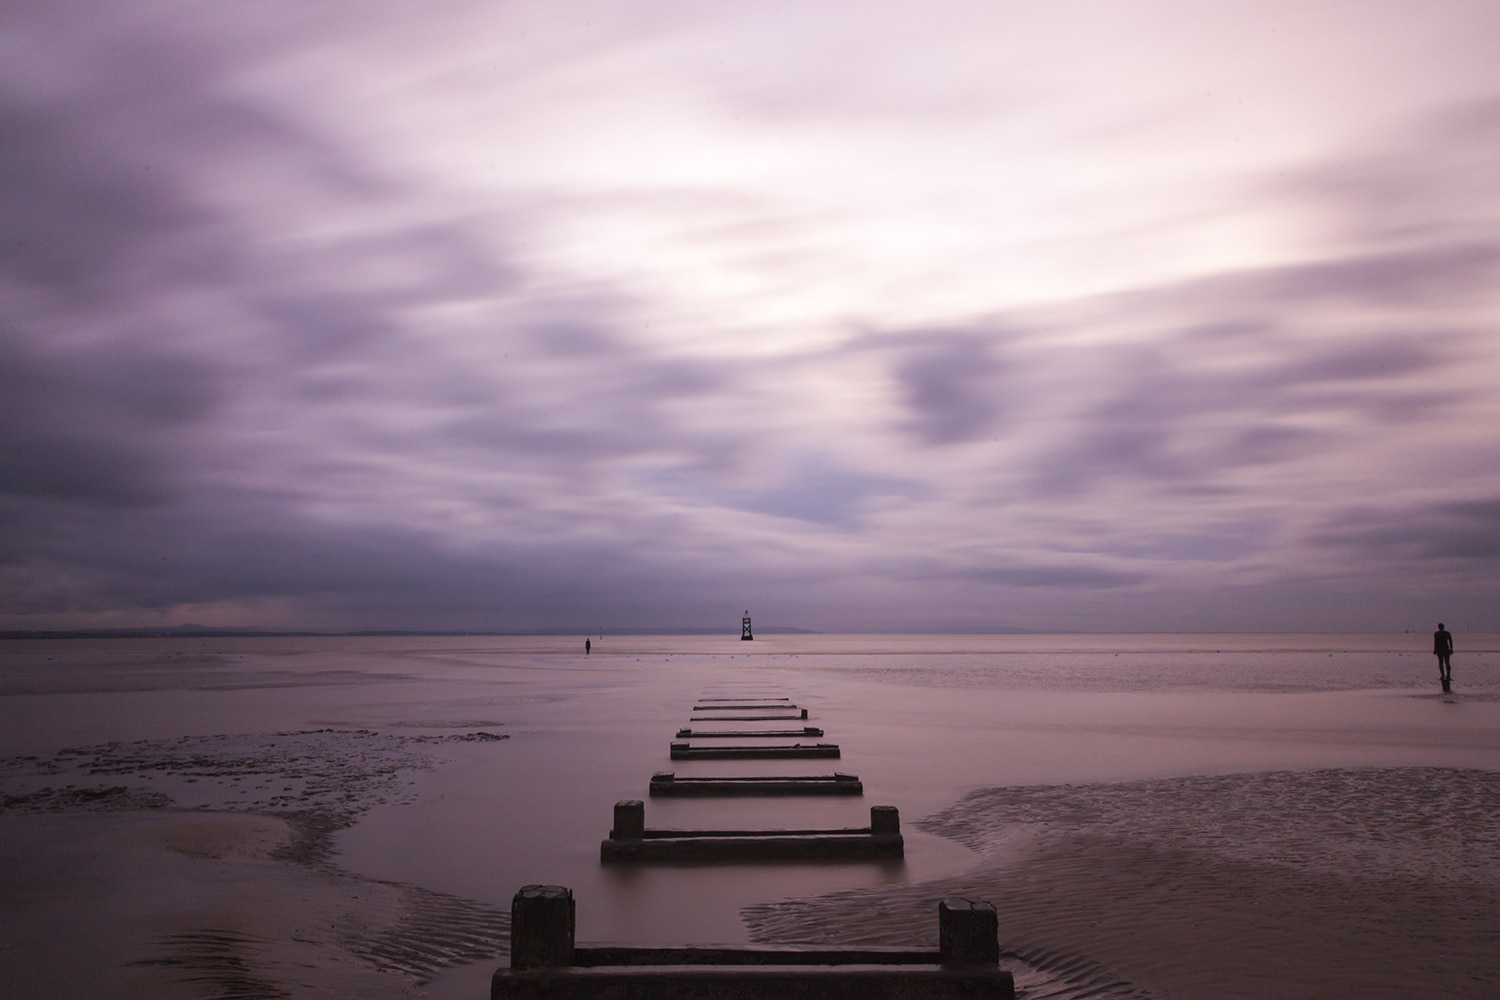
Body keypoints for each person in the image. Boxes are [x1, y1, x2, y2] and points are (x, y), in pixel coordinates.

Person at [1433, 623, 1453, 692]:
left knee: (1441, 663)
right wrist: (1451, 649)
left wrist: (1435, 649)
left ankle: (1443, 675)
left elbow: (1435, 642)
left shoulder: (1436, 634)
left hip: (1440, 649)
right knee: (1447, 663)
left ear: (1439, 627)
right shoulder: (1447, 633)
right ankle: (1448, 675)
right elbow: (1450, 641)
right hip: (1446, 649)